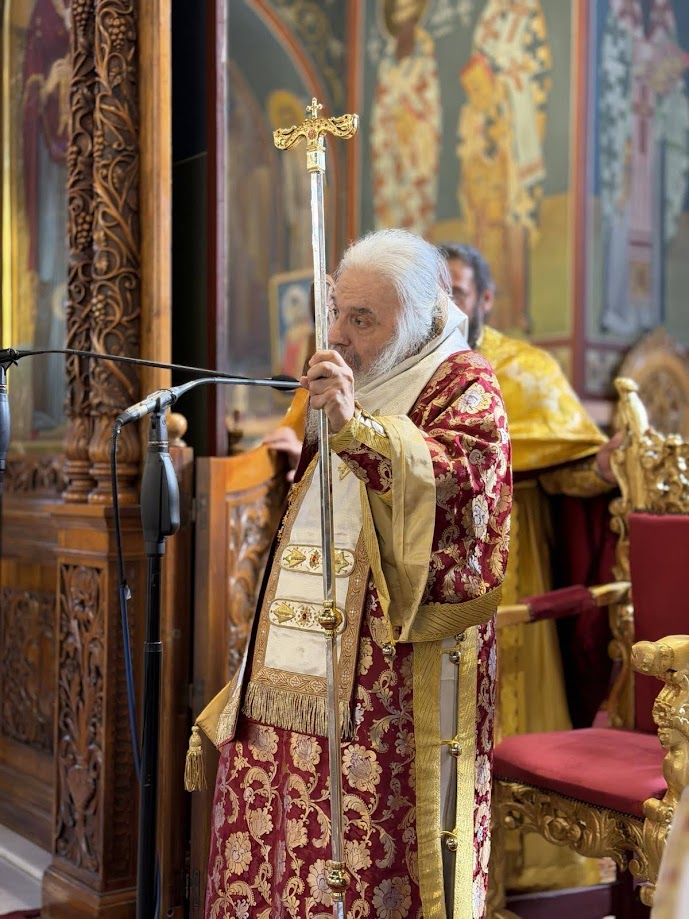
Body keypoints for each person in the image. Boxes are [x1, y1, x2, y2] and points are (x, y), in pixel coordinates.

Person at [190, 229, 512, 918]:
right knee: (275, 810)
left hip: (398, 666)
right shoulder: (355, 374)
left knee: (365, 838)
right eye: (336, 310)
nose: (337, 333)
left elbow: (460, 480)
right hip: (299, 655)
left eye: (361, 319)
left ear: (423, 315)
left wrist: (358, 426)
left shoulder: (465, 381)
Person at [440, 242, 619, 891]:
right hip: (429, 572)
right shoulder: (409, 370)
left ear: (484, 300)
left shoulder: (526, 369)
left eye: (456, 290)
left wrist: (599, 467)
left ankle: (529, 870)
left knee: (517, 708)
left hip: (517, 568)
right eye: (435, 290)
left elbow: (570, 469)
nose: (446, 302)